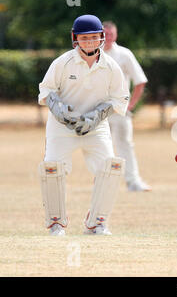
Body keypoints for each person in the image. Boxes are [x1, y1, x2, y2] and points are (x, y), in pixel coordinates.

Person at [37, 14, 130, 236]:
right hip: (62, 127)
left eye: (93, 37)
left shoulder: (110, 66)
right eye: (84, 38)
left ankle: (97, 222)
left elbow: (120, 99)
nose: (89, 42)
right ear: (75, 38)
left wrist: (98, 115)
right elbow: (45, 90)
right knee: (52, 169)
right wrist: (60, 111)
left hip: (95, 127)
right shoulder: (62, 62)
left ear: (101, 38)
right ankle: (56, 222)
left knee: (111, 167)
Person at [103, 21, 152, 192]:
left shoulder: (124, 54)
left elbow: (140, 81)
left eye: (111, 34)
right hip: (98, 110)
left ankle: (133, 181)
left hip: (120, 109)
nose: (108, 37)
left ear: (115, 35)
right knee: (101, 146)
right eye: (105, 34)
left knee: (125, 144)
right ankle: (103, 182)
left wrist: (131, 105)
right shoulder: (92, 54)